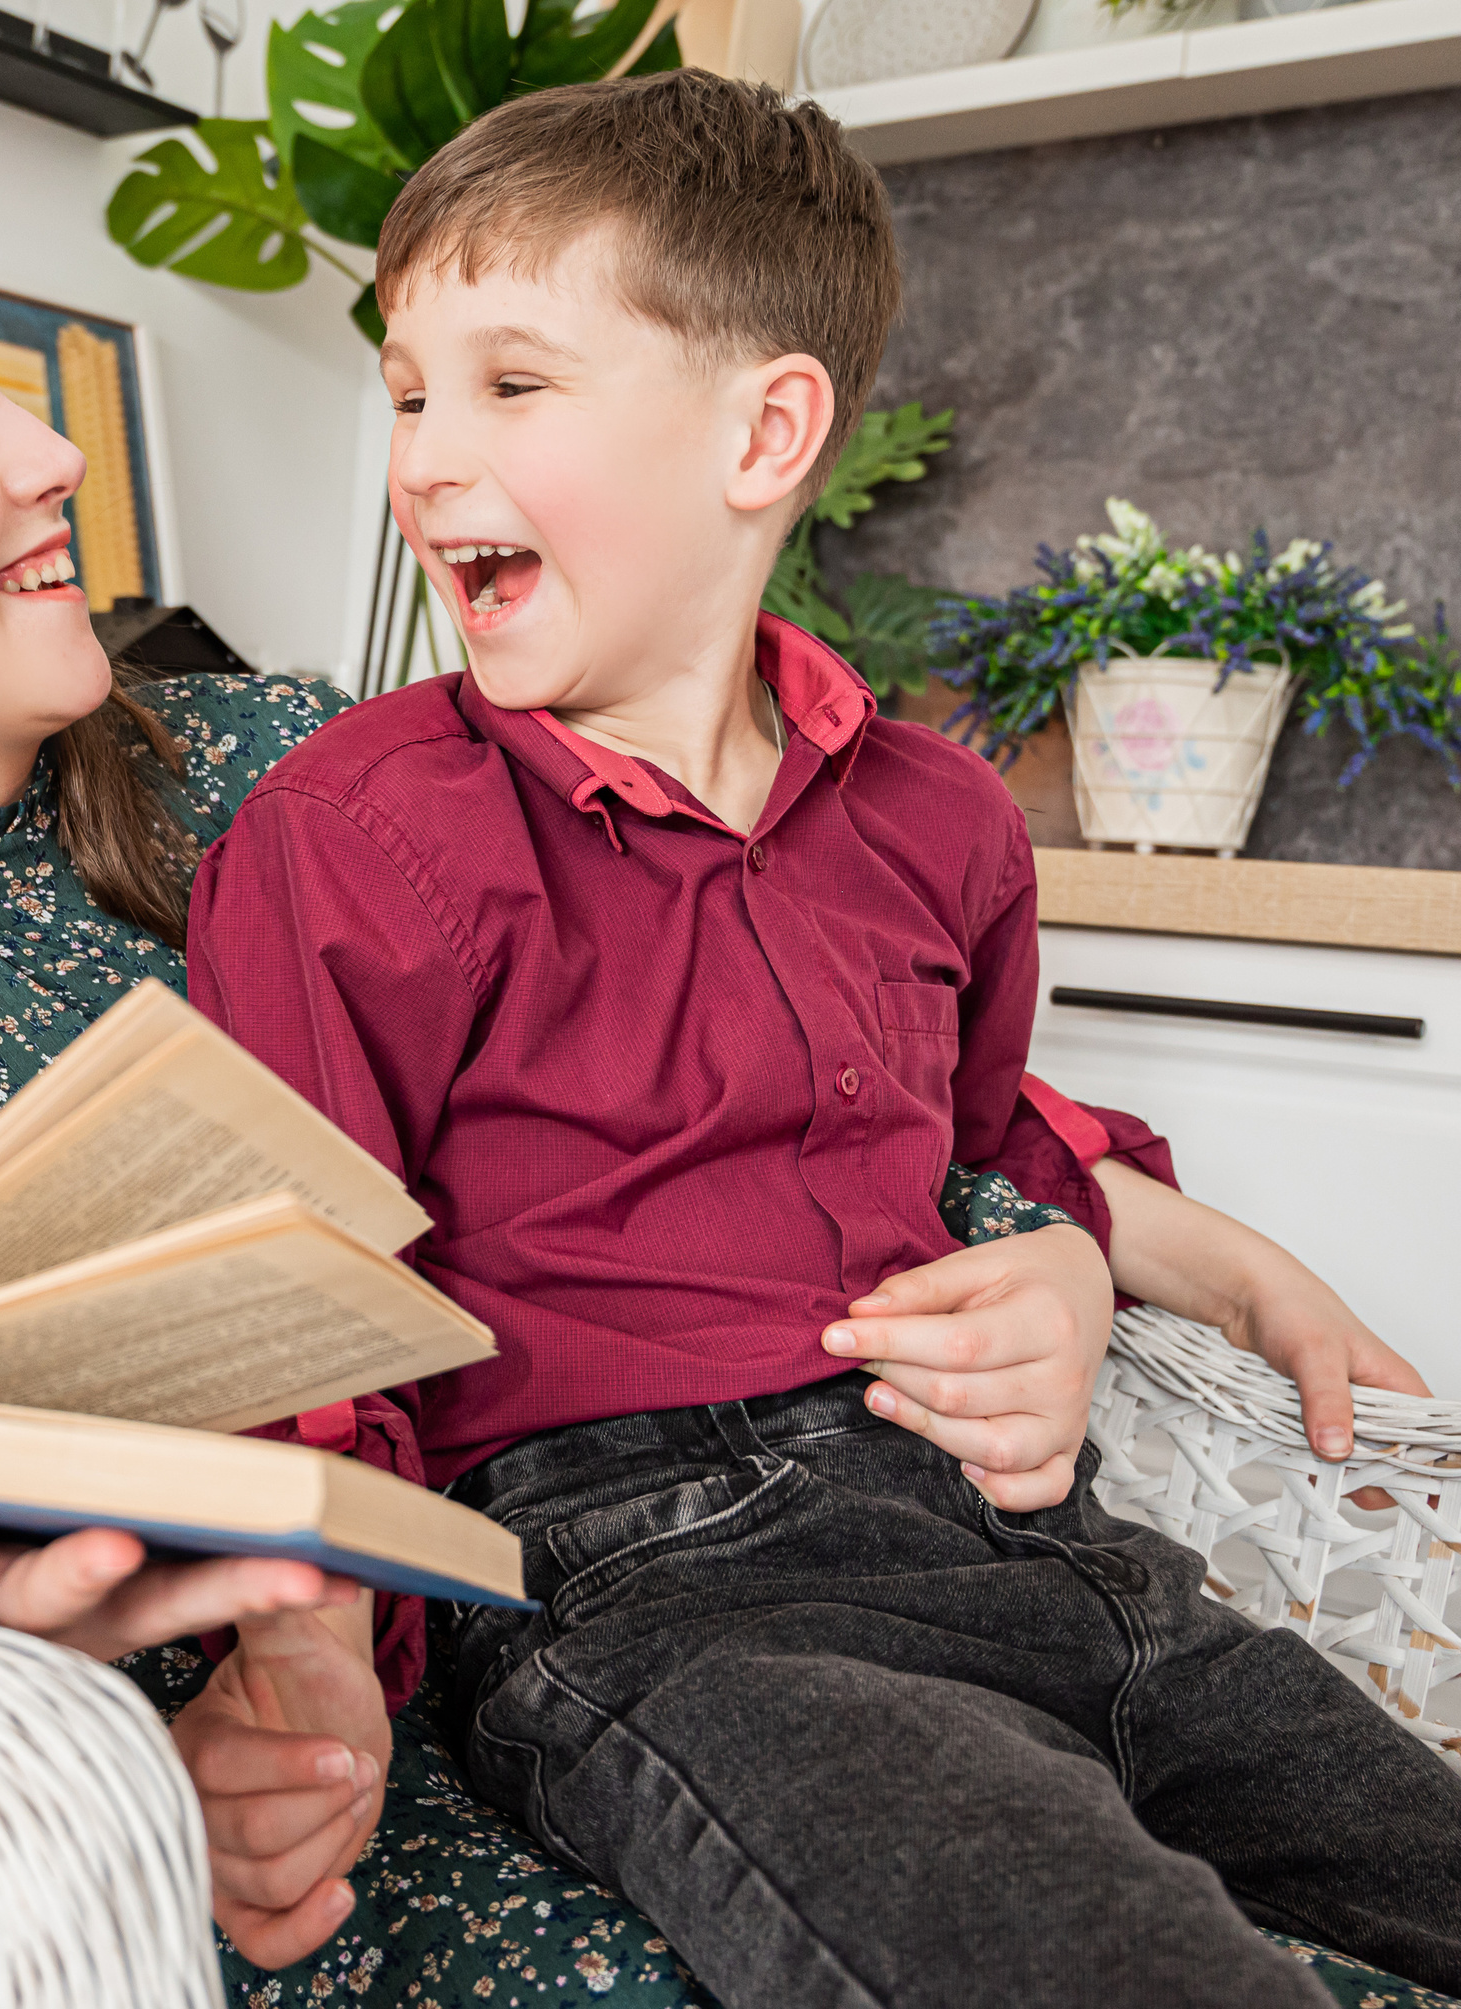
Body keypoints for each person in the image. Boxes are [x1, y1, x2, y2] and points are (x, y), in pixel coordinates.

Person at [0, 174, 1436, 1999]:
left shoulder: (313, 761)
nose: (54, 452)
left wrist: (1098, 1254)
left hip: (806, 1546)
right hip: (334, 1730)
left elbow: (815, 1034)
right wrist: (112, 1706)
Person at [170, 71, 1460, 2006]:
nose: (425, 457)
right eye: (409, 387)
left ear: (766, 431)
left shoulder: (943, 822)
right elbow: (291, 1291)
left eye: (511, 385)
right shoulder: (354, 840)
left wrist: (1200, 1258)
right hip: (663, 1588)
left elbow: (975, 1127)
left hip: (1053, 1556)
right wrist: (303, 1652)